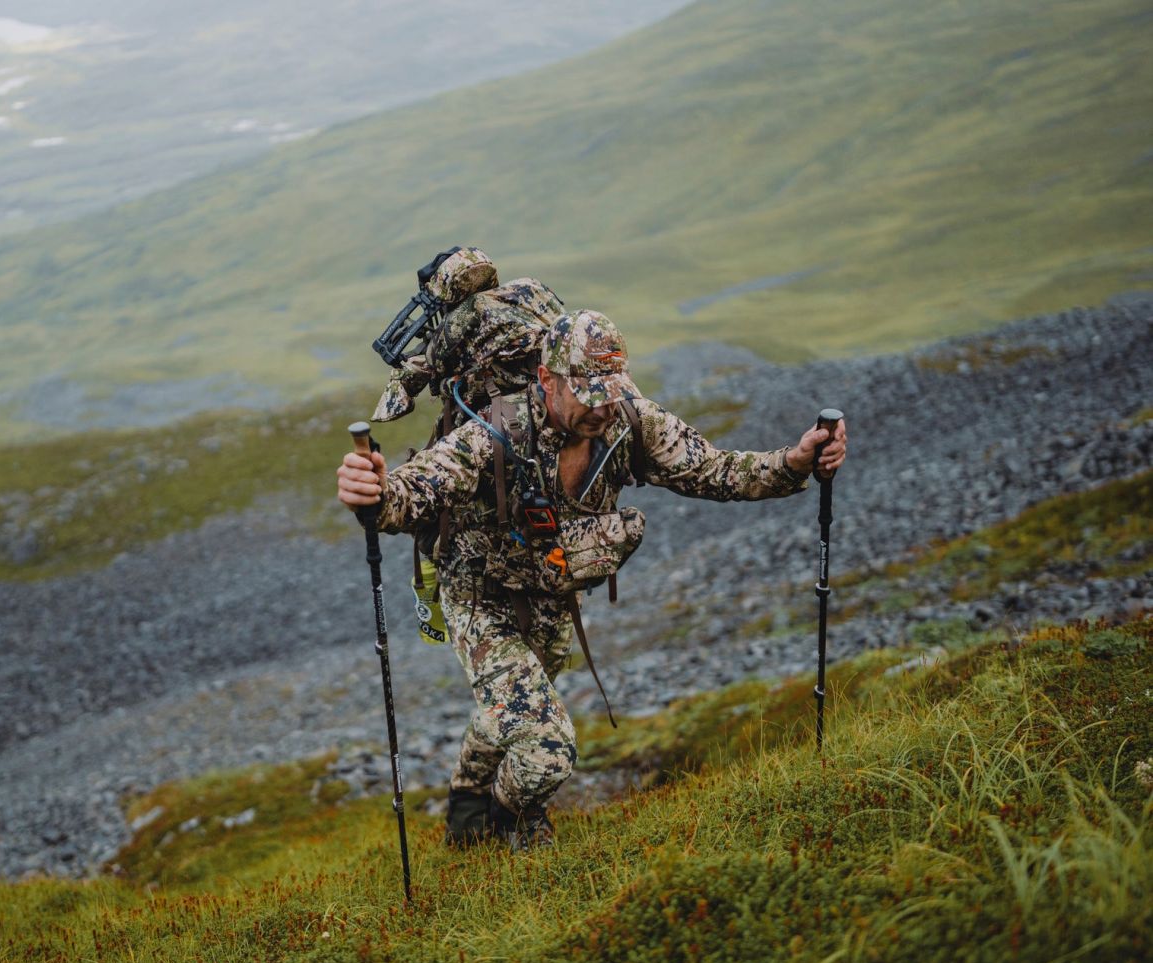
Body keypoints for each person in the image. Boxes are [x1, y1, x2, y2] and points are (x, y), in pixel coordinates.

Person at [337, 310, 848, 850]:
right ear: (546, 381)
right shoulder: (491, 432)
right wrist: (375, 491)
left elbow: (713, 472)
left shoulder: (629, 421)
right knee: (547, 745)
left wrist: (795, 463)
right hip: (481, 596)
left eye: (611, 391)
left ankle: (465, 810)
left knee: (511, 708)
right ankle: (503, 825)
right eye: (586, 393)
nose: (601, 407)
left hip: (553, 596)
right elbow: (412, 494)